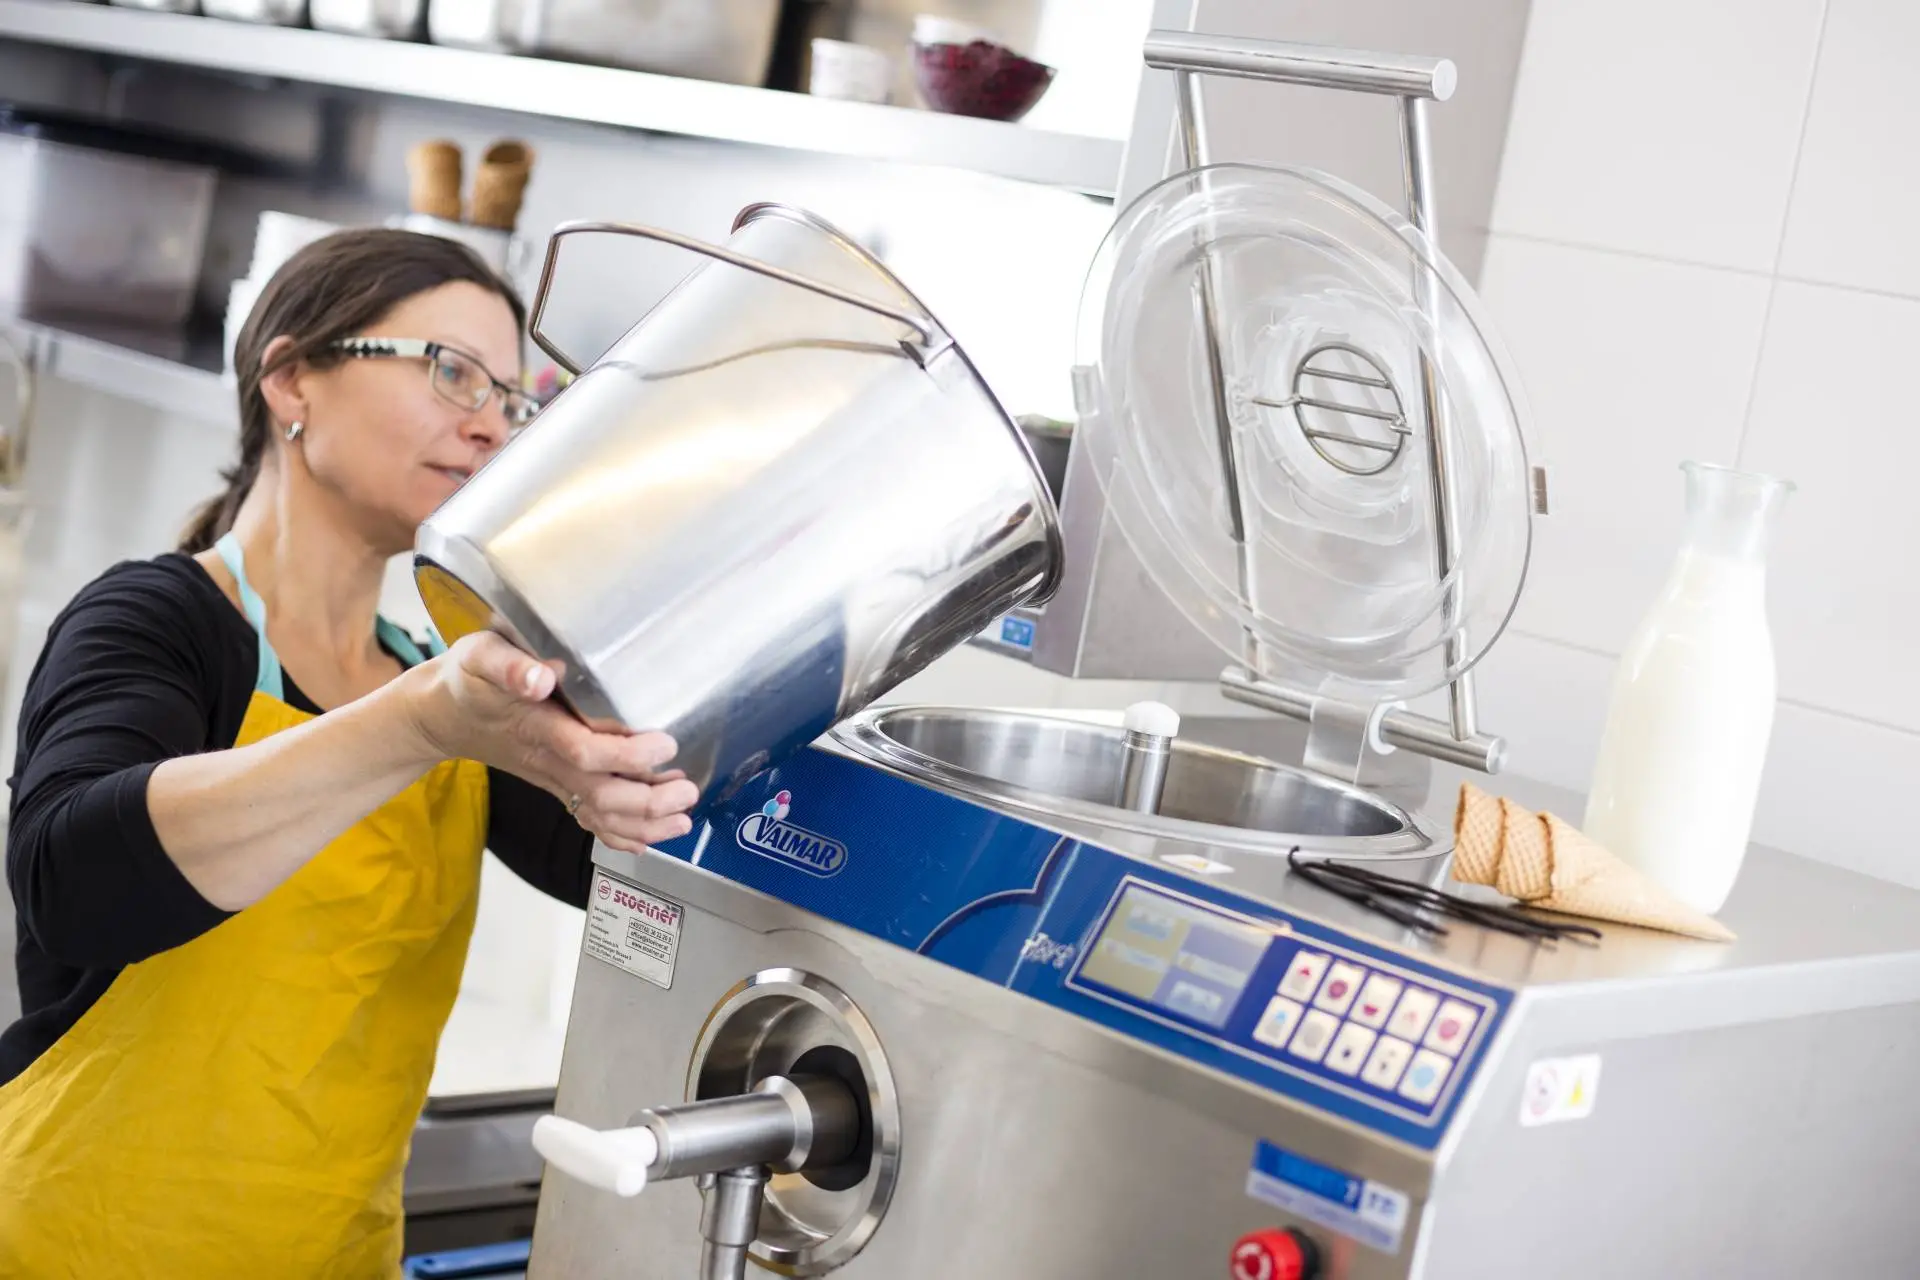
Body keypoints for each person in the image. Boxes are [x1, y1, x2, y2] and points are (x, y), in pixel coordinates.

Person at [0, 228, 698, 1275]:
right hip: (81, 1244)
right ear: (292, 379)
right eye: (452, 372)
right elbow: (74, 879)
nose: (488, 427)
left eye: (511, 401)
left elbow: (624, 878)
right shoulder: (156, 622)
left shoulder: (453, 680)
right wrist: (420, 720)